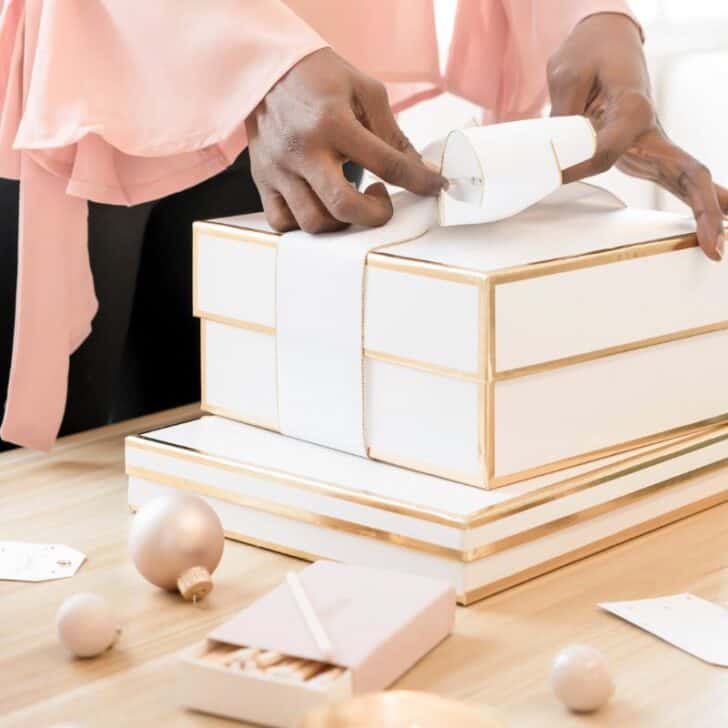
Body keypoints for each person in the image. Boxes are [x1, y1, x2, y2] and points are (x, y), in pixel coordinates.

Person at [0, 1, 725, 452]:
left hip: (313, 73)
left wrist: (590, 17)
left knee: (242, 458)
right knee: (51, 492)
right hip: (100, 47)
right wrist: (256, 55)